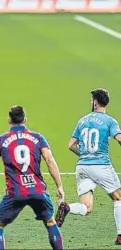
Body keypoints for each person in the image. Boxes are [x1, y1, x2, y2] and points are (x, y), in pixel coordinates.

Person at [0, 105, 64, 250]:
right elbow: (50, 161)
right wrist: (59, 186)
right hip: (38, 190)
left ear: (9, 120)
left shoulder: (0, 140)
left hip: (15, 192)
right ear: (25, 120)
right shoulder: (38, 137)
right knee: (50, 221)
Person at [56, 88, 121, 245]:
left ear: (96, 102)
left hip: (82, 167)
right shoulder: (110, 121)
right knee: (118, 198)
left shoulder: (82, 120)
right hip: (101, 165)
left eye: (92, 100)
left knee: (87, 207)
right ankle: (120, 235)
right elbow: (119, 138)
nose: (91, 102)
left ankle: (68, 208)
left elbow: (71, 145)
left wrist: (84, 154)